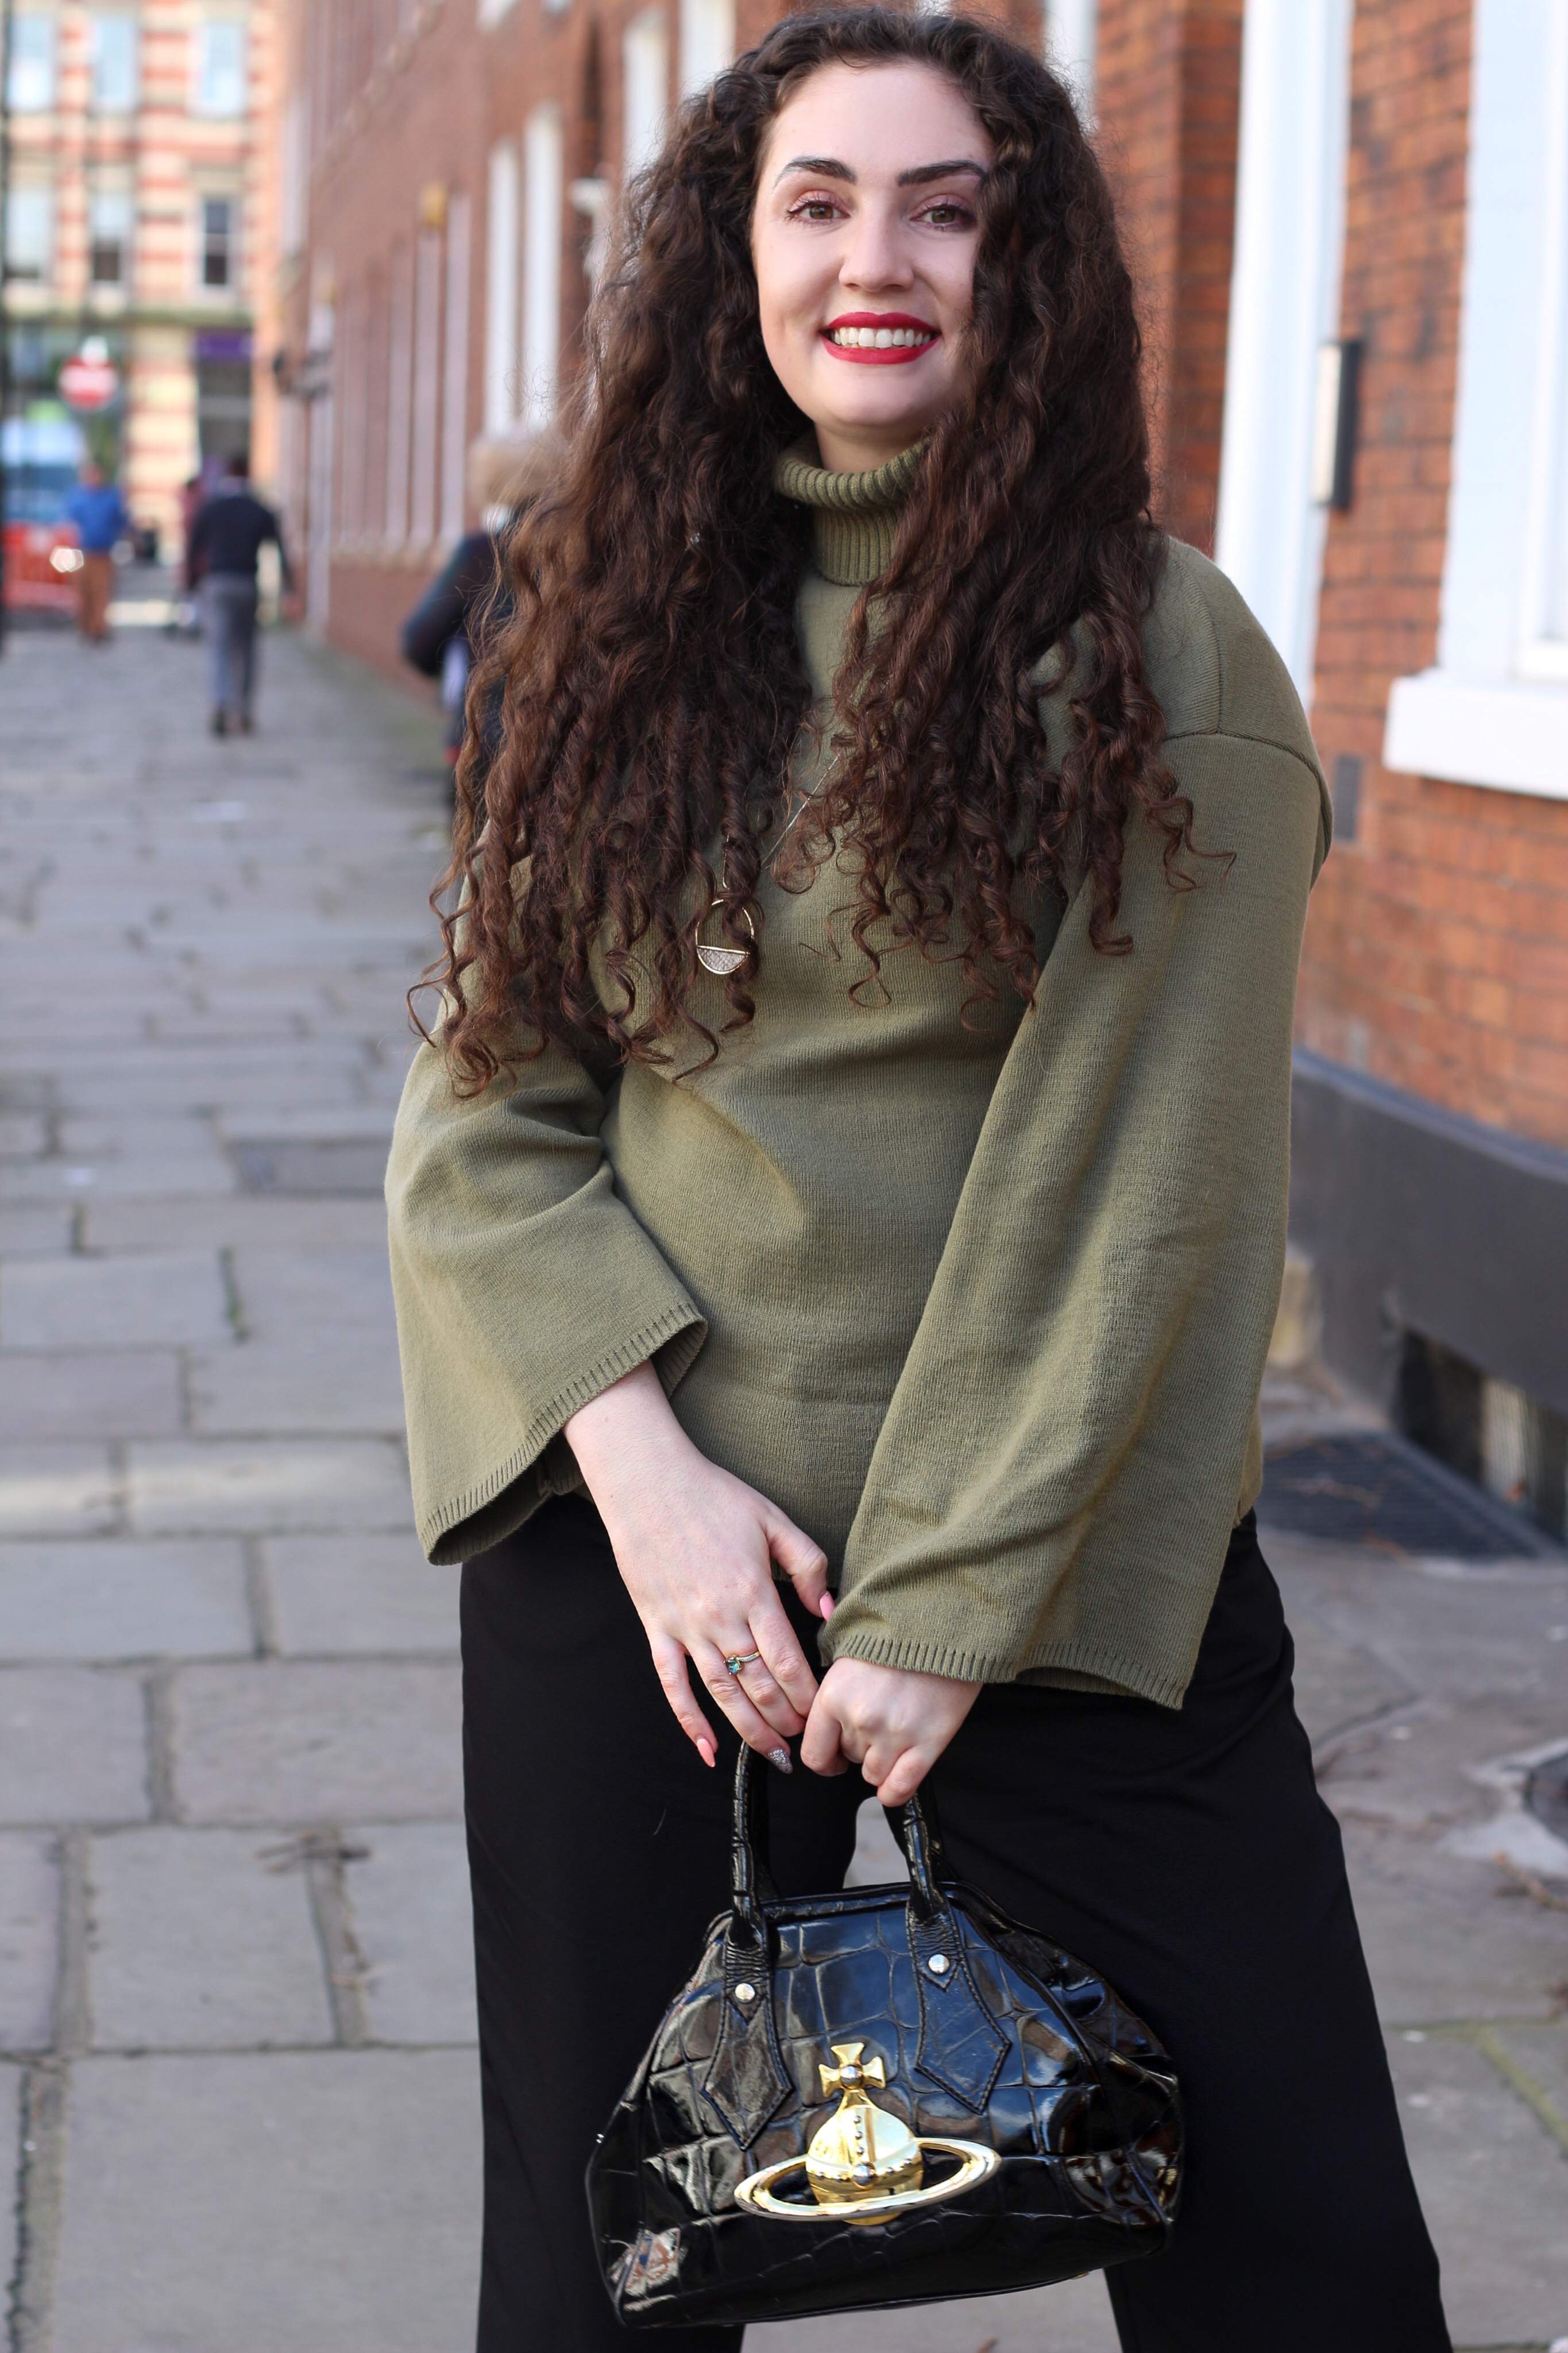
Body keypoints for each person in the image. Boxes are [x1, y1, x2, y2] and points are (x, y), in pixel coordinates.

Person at [385, 13, 1452, 2352]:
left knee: (1306, 2266)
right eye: (819, 200)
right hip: (658, 1570)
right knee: (602, 2273)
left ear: (1030, 261)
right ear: (731, 255)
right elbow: (484, 1108)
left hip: (1059, 1566)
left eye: (948, 205)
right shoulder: (602, 623)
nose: (880, 258)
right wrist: (641, 1473)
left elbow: (1141, 1187)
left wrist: (944, 1603)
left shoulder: (1169, 653)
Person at [184, 454, 295, 736]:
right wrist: (290, 586)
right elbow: (280, 549)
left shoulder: (212, 508)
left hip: (218, 582)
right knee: (247, 649)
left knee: (219, 647)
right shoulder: (259, 509)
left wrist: (190, 583)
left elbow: (193, 546)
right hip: (247, 582)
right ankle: (243, 710)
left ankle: (220, 701)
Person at [62, 458, 131, 642]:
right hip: (80, 553)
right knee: (83, 593)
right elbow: (67, 523)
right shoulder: (78, 497)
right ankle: (85, 626)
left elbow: (122, 522)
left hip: (102, 553)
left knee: (102, 592)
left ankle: (98, 628)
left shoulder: (110, 498)